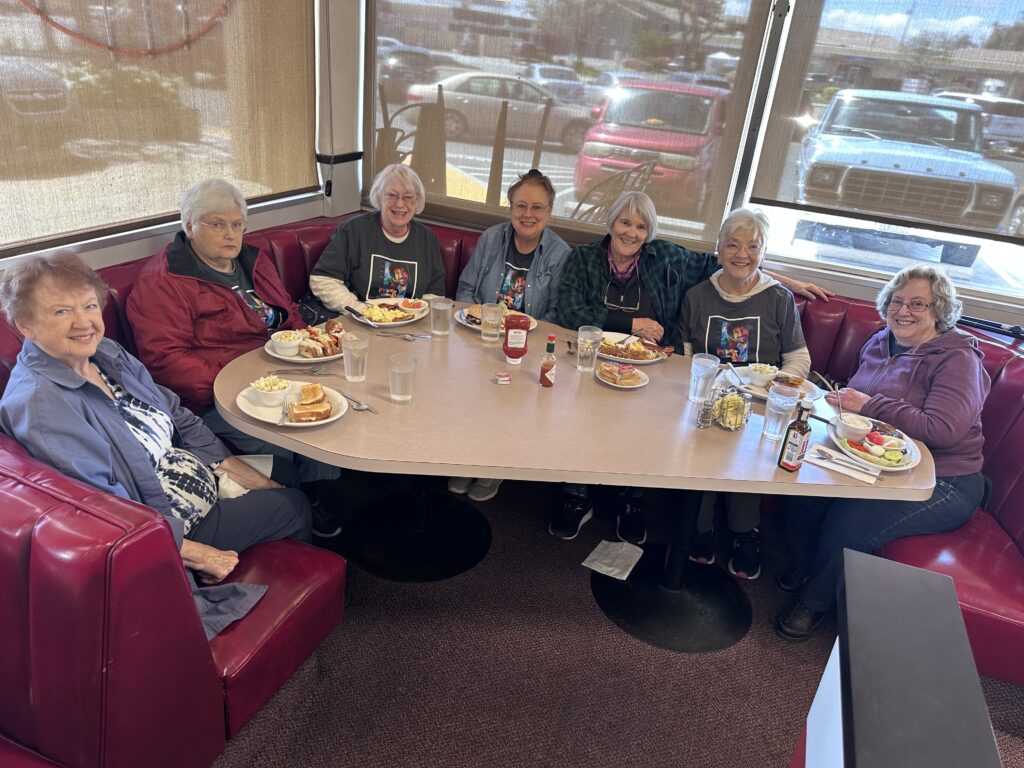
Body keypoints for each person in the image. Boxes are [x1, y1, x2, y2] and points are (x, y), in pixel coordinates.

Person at [0, 252, 312, 639]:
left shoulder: (105, 355)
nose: (83, 322)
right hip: (170, 523)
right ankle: (302, 623)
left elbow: (176, 413)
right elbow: (104, 505)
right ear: (25, 325)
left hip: (192, 477)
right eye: (61, 311)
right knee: (294, 506)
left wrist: (235, 469)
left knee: (283, 471)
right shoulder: (40, 403)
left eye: (89, 305)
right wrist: (195, 552)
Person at [554, 191, 831, 545]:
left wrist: (787, 282)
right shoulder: (584, 258)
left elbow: (735, 260)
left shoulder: (667, 258)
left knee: (648, 419)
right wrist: (631, 322)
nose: (631, 233)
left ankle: (632, 501)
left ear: (649, 232)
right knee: (579, 408)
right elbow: (569, 312)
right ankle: (576, 494)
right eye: (625, 222)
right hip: (593, 362)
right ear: (611, 223)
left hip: (649, 368)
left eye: (641, 226)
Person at [775, 264, 989, 640]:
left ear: (940, 310)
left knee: (851, 519)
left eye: (918, 304)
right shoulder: (879, 340)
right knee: (802, 486)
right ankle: (805, 566)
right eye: (896, 301)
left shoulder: (958, 358)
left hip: (943, 479)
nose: (903, 311)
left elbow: (944, 429)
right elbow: (859, 404)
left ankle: (814, 602)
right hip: (873, 461)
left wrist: (869, 405)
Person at [126, 178, 343, 538]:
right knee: (287, 436)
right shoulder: (164, 281)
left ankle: (323, 488)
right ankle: (301, 504)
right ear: (189, 226)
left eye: (237, 224)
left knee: (336, 400)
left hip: (280, 370)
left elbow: (286, 311)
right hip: (218, 396)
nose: (230, 234)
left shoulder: (251, 259)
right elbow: (164, 360)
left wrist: (307, 344)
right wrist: (241, 382)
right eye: (217, 224)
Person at [678, 207, 811, 580]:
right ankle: (699, 527)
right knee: (698, 444)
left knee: (752, 451)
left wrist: (779, 385)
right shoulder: (697, 296)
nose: (742, 254)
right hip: (707, 401)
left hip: (759, 403)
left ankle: (744, 532)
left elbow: (798, 356)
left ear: (764, 252)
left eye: (753, 246)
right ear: (718, 249)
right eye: (733, 244)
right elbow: (686, 352)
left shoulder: (778, 298)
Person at [450, 168, 571, 503]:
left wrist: (520, 342)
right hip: (481, 338)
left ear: (548, 211)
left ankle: (494, 467)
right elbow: (466, 291)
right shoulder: (491, 239)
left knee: (513, 394)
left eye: (536, 207)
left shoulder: (560, 254)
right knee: (471, 386)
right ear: (510, 208)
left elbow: (555, 317)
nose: (527, 215)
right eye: (520, 206)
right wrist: (481, 331)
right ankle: (466, 456)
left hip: (528, 346)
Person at [308, 164, 446, 310]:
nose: (400, 204)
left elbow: (434, 295)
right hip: (359, 323)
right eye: (392, 195)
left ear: (417, 201)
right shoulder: (354, 230)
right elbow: (322, 280)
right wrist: (361, 311)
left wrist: (414, 314)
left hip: (410, 326)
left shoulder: (427, 239)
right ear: (379, 197)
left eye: (408, 197)